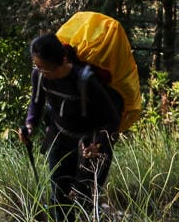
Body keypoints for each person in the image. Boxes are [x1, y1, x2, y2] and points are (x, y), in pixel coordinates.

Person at [19, 32, 122, 222]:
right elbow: (36, 102)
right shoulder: (39, 75)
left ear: (63, 61)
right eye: (37, 66)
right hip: (59, 138)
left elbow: (112, 119)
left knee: (84, 200)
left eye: (46, 69)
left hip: (89, 145)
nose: (41, 72)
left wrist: (98, 145)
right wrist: (30, 125)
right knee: (59, 197)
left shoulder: (85, 81)